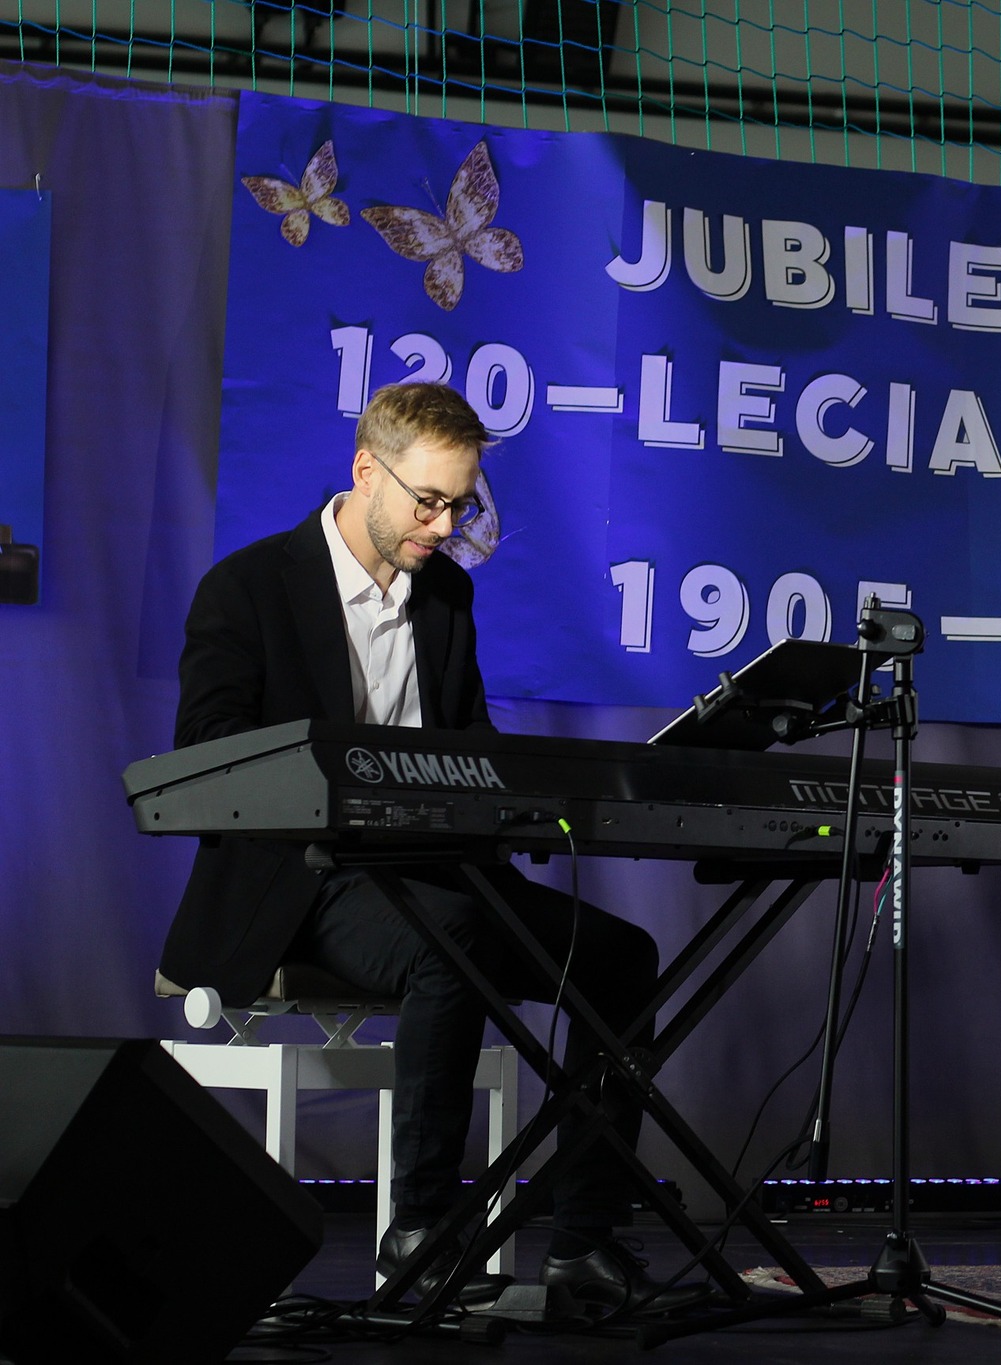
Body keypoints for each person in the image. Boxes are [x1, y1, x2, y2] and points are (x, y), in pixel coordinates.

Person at [160, 382, 697, 1313]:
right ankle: (421, 1226)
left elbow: (467, 742)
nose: (445, 527)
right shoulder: (247, 588)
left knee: (622, 958)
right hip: (303, 880)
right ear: (366, 470)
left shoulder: (445, 592)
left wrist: (527, 795)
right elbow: (209, 756)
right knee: (450, 944)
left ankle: (585, 1242)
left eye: (461, 504)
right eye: (428, 502)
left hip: (436, 873)